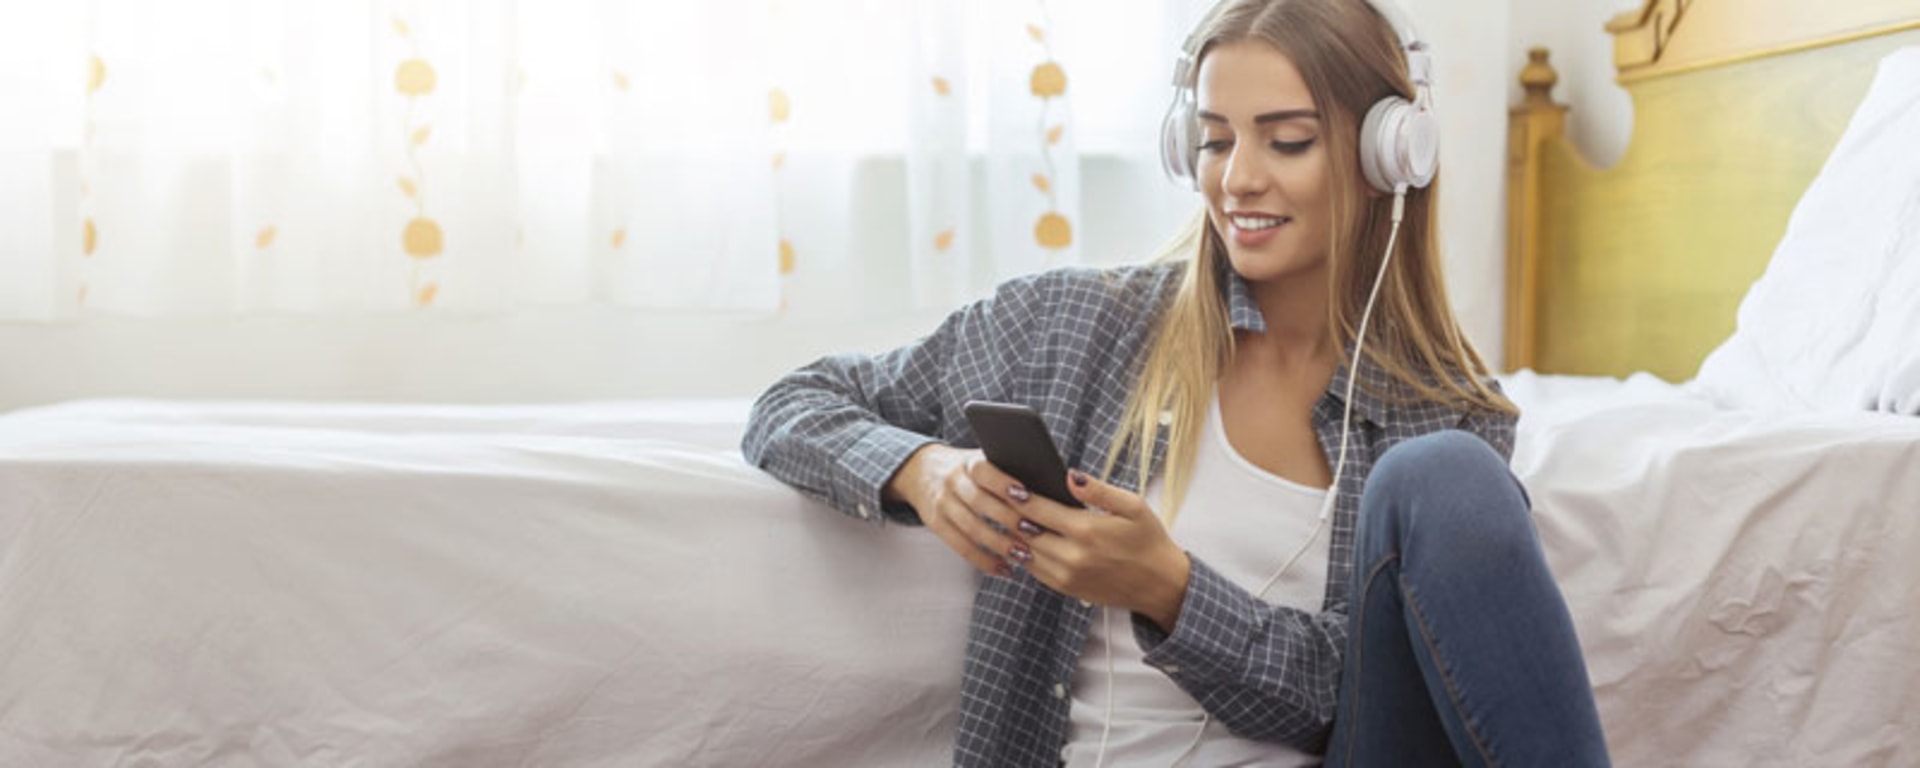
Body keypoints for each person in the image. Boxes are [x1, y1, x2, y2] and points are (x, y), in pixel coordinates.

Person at [741, 0, 1611, 765]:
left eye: (1289, 139)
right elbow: (790, 403)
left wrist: (1169, 589)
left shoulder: (1445, 413)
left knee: (1446, 475)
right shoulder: (1073, 325)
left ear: (1390, 154)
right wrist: (924, 473)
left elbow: (1343, 702)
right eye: (1215, 139)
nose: (1237, 179)